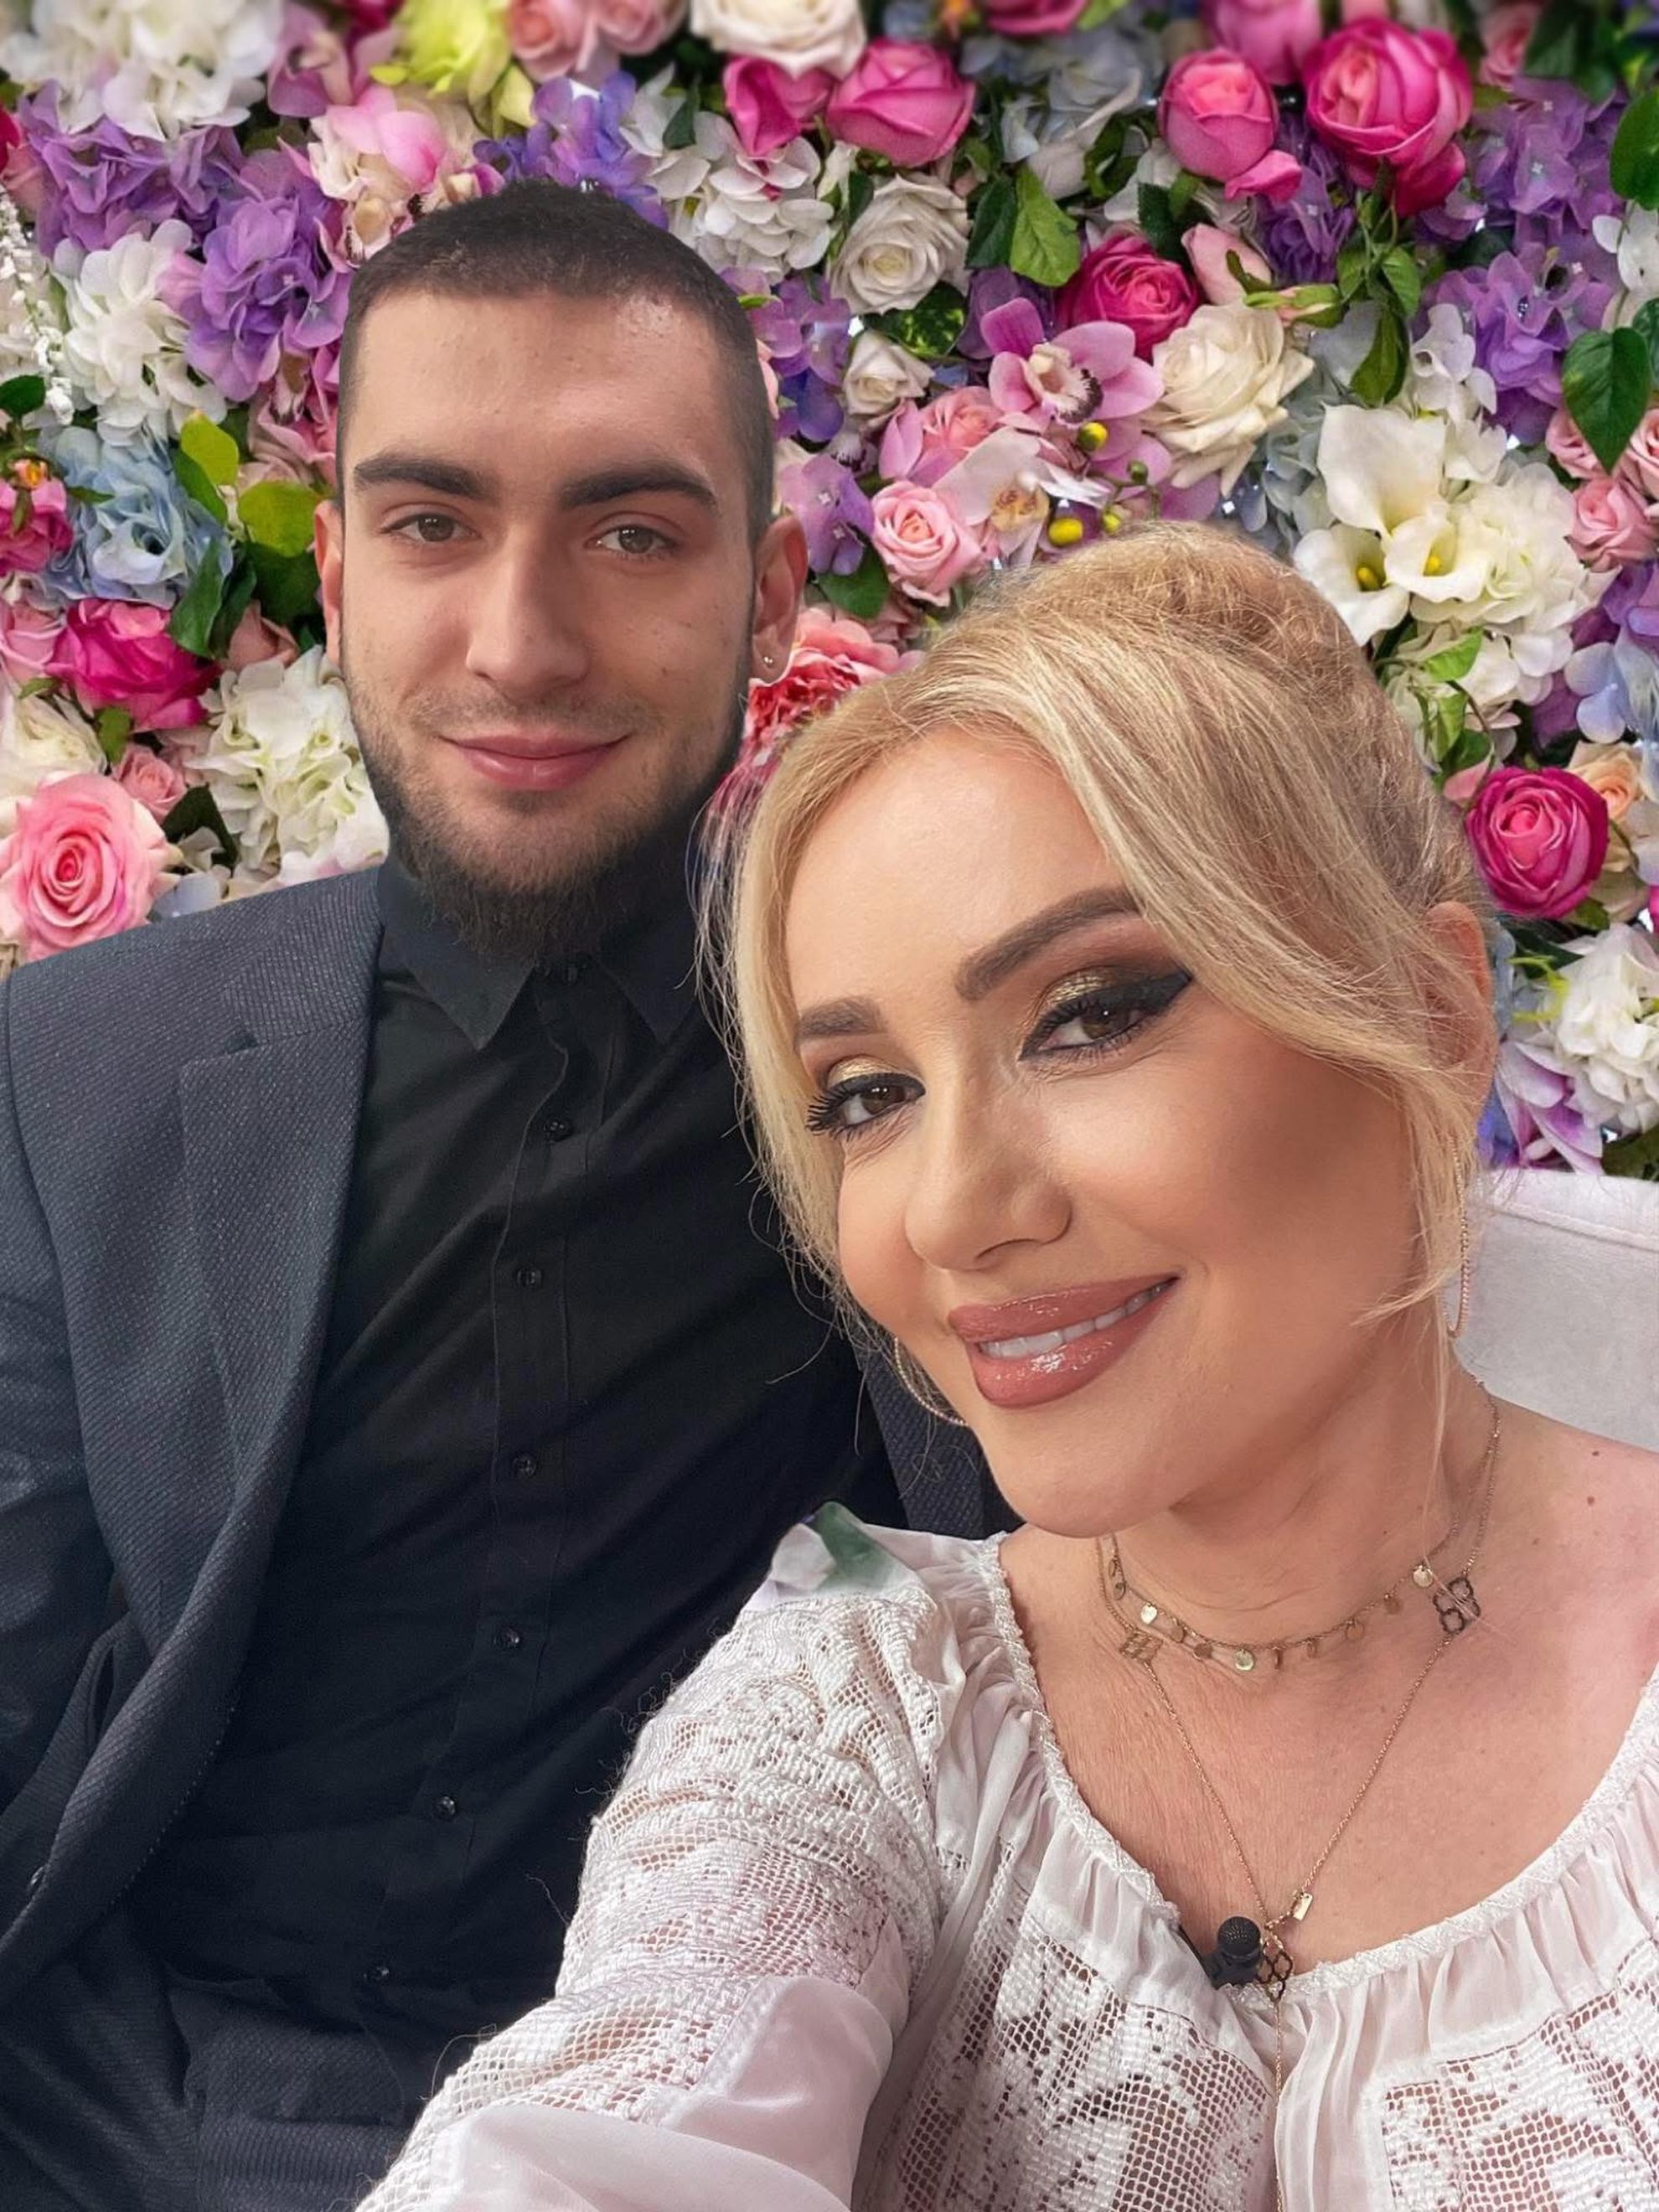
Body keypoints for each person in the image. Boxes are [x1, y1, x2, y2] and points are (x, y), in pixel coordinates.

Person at [364, 525, 1659, 2211]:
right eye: (867, 1097)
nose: (954, 1212)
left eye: (1089, 1012)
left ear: (1428, 1013)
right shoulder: (856, 1702)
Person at [0, 179, 985, 2212]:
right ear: (339, 575)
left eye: (632, 535)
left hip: (649, 2127)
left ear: (771, 597)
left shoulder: (899, 1077)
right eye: (434, 525)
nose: (521, 644)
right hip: (88, 2093)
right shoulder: (75, 1070)